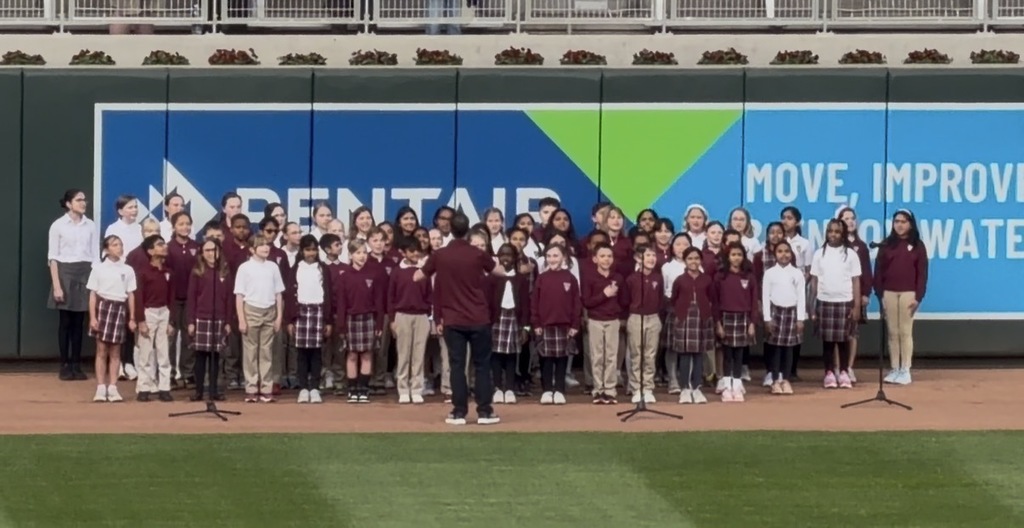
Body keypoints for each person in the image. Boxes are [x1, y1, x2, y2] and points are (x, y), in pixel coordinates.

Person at [414, 212, 502, 426]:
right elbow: (498, 271)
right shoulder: (477, 254)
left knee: (457, 366)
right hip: (479, 317)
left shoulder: (440, 255)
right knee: (482, 365)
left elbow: (418, 277)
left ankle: (458, 411)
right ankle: (485, 411)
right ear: (467, 230)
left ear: (450, 229)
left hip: (453, 319)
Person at [48, 189, 99, 381]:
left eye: (84, 200)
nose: (83, 203)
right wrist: (57, 285)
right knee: (65, 322)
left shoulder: (91, 226)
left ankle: (77, 365)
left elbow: (95, 255)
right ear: (69, 203)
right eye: (79, 200)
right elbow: (52, 257)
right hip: (65, 273)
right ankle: (64, 364)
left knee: (79, 322)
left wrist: (94, 282)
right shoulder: (58, 226)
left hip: (85, 272)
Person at [874, 209, 929, 385]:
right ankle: (895, 368)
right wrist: (880, 294)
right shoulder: (886, 244)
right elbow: (879, 271)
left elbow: (922, 274)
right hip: (889, 293)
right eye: (896, 221)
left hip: (908, 293)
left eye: (903, 221)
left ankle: (905, 369)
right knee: (892, 332)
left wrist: (918, 297)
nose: (899, 225)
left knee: (905, 331)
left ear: (910, 224)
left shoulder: (918, 246)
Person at [810, 219, 861, 390]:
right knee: (828, 342)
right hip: (825, 301)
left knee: (844, 340)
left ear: (843, 234)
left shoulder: (851, 254)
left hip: (845, 301)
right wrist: (812, 306)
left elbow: (856, 281)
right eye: (830, 231)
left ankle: (845, 371)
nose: (833, 234)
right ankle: (829, 372)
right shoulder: (819, 254)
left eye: (837, 232)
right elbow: (814, 282)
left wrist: (856, 306)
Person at [234, 235, 285, 403]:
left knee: (267, 352)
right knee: (250, 352)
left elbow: (278, 294)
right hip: (251, 310)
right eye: (261, 245)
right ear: (251, 249)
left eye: (267, 245)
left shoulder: (273, 267)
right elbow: (239, 295)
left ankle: (266, 388)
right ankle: (251, 387)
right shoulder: (245, 268)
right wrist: (242, 319)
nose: (266, 248)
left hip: (269, 311)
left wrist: (278, 318)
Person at [86, 235, 137, 403]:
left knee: (116, 351)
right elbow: (93, 294)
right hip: (103, 307)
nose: (119, 247)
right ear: (106, 249)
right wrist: (93, 317)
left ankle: (113, 387)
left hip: (119, 308)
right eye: (115, 245)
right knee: (101, 350)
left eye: (120, 244)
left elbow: (130, 295)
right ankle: (101, 387)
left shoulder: (128, 270)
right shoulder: (99, 269)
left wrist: (132, 317)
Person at [530, 244, 581, 406]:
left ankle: (559, 390)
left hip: (565, 326)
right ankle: (547, 390)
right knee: (546, 359)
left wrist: (575, 324)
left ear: (564, 257)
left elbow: (576, 303)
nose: (552, 259)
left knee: (561, 360)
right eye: (549, 256)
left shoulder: (570, 278)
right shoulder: (541, 278)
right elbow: (534, 303)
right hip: (545, 326)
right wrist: (536, 323)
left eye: (556, 255)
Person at [284, 235, 333, 404]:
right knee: (302, 354)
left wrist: (328, 321)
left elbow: (329, 294)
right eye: (307, 249)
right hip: (301, 312)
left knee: (317, 354)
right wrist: (290, 320)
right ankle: (303, 387)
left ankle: (315, 387)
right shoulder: (295, 268)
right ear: (302, 251)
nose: (311, 253)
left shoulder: (323, 269)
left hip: (318, 311)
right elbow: (290, 295)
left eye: (314, 249)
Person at [336, 239, 385, 404]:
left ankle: (363, 388)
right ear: (350, 255)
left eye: (364, 252)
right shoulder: (345, 276)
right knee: (351, 355)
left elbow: (379, 300)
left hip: (368, 318)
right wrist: (341, 326)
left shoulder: (373, 273)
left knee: (367, 354)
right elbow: (341, 303)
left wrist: (379, 323)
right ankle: (352, 389)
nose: (362, 256)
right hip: (351, 319)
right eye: (358, 252)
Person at [186, 238, 232, 402]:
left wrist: (227, 321)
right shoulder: (198, 271)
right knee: (200, 356)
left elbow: (228, 299)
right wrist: (191, 321)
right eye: (207, 251)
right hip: (201, 317)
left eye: (214, 250)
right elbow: (191, 297)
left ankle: (213, 390)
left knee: (215, 358)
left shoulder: (224, 271)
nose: (211, 254)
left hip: (218, 318)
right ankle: (199, 390)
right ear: (202, 253)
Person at [388, 237, 432, 405]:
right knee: (404, 354)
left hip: (421, 316)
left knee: (419, 355)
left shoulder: (423, 271)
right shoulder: (397, 271)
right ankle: (403, 389)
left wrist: (427, 312)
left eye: (417, 251)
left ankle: (417, 389)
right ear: (403, 252)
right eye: (411, 251)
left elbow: (429, 294)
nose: (415, 254)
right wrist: (392, 319)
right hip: (402, 315)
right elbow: (390, 296)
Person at [133, 235, 176, 402]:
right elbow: (139, 297)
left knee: (163, 352)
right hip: (148, 312)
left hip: (163, 312)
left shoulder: (168, 272)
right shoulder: (143, 272)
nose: (164, 247)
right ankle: (144, 387)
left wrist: (171, 320)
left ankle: (164, 387)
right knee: (145, 352)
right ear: (150, 251)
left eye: (164, 244)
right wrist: (140, 320)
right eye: (159, 245)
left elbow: (171, 297)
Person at [670, 247, 715, 405]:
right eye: (690, 258)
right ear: (685, 260)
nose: (693, 261)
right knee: (684, 355)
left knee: (698, 355)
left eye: (696, 258)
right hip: (684, 319)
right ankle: (684, 388)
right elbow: (673, 299)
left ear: (701, 260)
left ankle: (696, 387)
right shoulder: (680, 280)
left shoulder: (707, 279)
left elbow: (712, 298)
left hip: (702, 319)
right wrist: (678, 316)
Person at [714, 243, 757, 403]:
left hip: (743, 318)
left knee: (739, 354)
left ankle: (737, 385)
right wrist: (718, 323)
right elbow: (716, 301)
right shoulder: (720, 276)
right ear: (728, 257)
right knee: (727, 354)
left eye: (739, 255)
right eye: (733, 255)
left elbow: (753, 302)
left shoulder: (749, 276)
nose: (736, 258)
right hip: (726, 317)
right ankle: (726, 385)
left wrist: (752, 322)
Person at [487, 243, 530, 405]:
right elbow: (487, 301)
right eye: (502, 255)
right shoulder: (493, 278)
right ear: (498, 258)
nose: (506, 258)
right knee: (496, 354)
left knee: (512, 355)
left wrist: (526, 327)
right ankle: (498, 388)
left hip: (513, 318)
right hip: (496, 319)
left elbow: (526, 304)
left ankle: (510, 388)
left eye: (509, 255)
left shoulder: (521, 279)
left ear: (515, 258)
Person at [762, 240, 806, 396]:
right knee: (775, 348)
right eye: (780, 251)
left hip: (791, 313)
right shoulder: (769, 273)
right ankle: (775, 380)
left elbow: (801, 296)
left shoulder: (797, 273)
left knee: (788, 348)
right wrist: (767, 318)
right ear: (775, 254)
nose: (784, 254)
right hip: (775, 312)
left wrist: (800, 318)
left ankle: (786, 379)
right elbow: (765, 296)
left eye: (787, 251)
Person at [582, 242, 623, 405]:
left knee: (611, 356)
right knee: (597, 356)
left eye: (609, 256)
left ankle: (610, 389)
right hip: (595, 320)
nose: (606, 259)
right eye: (602, 256)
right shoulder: (589, 278)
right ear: (595, 259)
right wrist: (605, 294)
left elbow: (623, 300)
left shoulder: (617, 278)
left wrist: (617, 309)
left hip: (612, 320)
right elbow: (587, 302)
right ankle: (598, 389)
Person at [624, 245, 663, 405]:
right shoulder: (632, 278)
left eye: (653, 255)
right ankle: (636, 388)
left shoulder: (658, 278)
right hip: (636, 318)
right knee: (636, 355)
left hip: (653, 318)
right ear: (638, 258)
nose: (651, 259)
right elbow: (626, 300)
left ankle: (648, 388)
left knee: (650, 355)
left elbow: (660, 299)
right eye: (648, 255)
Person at [837, 206, 872, 383]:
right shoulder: (832, 245)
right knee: (836, 334)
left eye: (852, 218)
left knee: (852, 333)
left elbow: (866, 272)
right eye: (846, 218)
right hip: (836, 295)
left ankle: (848, 368)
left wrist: (865, 294)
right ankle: (836, 368)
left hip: (854, 297)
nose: (850, 221)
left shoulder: (861, 247)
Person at [166, 211, 198, 388]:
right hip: (173, 299)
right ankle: (169, 373)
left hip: (191, 299)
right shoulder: (168, 247)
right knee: (171, 336)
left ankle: (188, 373)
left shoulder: (197, 247)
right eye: (181, 224)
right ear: (174, 227)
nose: (185, 227)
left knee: (189, 336)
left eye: (187, 224)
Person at [660, 233, 691, 395]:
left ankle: (687, 379)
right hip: (674, 309)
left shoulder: (697, 266)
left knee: (689, 347)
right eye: (678, 244)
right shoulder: (667, 267)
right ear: (672, 247)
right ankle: (672, 379)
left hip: (693, 311)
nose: (681, 248)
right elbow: (664, 290)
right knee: (672, 347)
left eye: (685, 244)